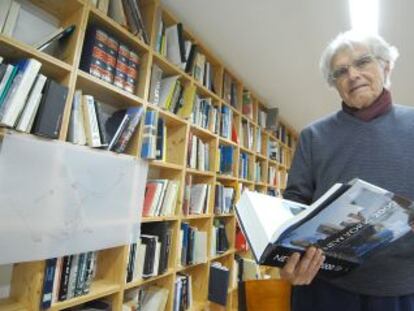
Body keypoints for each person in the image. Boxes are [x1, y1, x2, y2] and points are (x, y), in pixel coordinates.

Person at [281, 30, 414, 311]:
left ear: (386, 65)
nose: (352, 74)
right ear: (335, 84)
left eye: (362, 62)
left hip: (403, 289)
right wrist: (287, 260)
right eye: (340, 71)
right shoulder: (313, 136)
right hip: (324, 287)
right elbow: (293, 208)